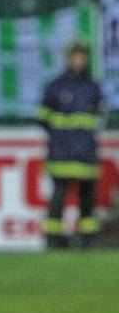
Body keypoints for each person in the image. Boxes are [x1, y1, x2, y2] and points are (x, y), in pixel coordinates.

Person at [38, 40, 102, 249]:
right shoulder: (56, 86)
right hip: (62, 150)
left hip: (85, 150)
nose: (78, 59)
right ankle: (53, 238)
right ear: (68, 58)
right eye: (75, 55)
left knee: (87, 195)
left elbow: (98, 116)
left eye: (82, 55)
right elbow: (42, 118)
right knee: (59, 193)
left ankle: (87, 238)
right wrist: (61, 135)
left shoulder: (92, 87)